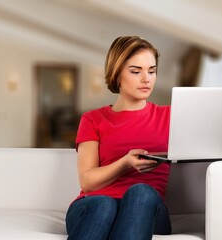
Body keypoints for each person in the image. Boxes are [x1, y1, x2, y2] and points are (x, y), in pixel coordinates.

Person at [65, 36, 172, 240]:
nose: (146, 79)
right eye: (135, 71)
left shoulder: (170, 116)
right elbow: (87, 182)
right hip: (93, 208)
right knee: (104, 203)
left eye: (151, 70)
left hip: (148, 210)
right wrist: (125, 163)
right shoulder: (93, 119)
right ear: (117, 73)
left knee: (141, 192)